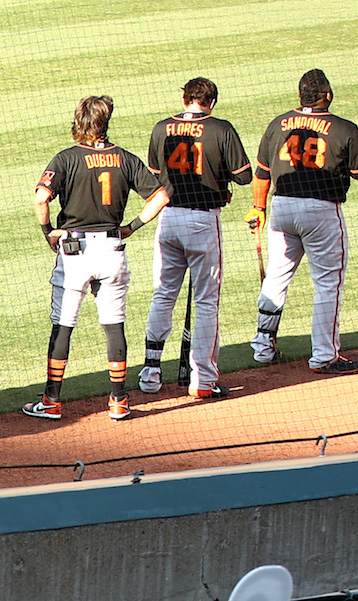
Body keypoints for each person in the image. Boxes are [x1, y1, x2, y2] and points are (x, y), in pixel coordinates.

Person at [27, 97, 170, 423]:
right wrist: (131, 226)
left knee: (63, 325)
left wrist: (49, 230)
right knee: (113, 325)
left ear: (79, 123)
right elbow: (160, 195)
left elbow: (41, 198)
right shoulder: (124, 158)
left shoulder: (66, 158)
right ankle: (119, 401)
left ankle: (51, 400)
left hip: (74, 252)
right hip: (112, 250)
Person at [251, 69, 358, 375]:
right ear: (328, 96)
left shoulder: (277, 124)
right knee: (327, 283)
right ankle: (324, 356)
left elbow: (262, 173)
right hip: (321, 212)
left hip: (281, 208)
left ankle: (263, 347)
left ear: (299, 96)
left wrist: (258, 207)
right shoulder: (343, 128)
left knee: (276, 278)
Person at [140, 81, 252, 399]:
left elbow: (155, 174)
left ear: (184, 99)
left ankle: (150, 372)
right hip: (203, 221)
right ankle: (202, 380)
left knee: (164, 294)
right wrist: (218, 178)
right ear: (211, 102)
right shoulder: (221, 128)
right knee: (206, 301)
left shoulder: (162, 127)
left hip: (168, 219)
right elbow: (244, 175)